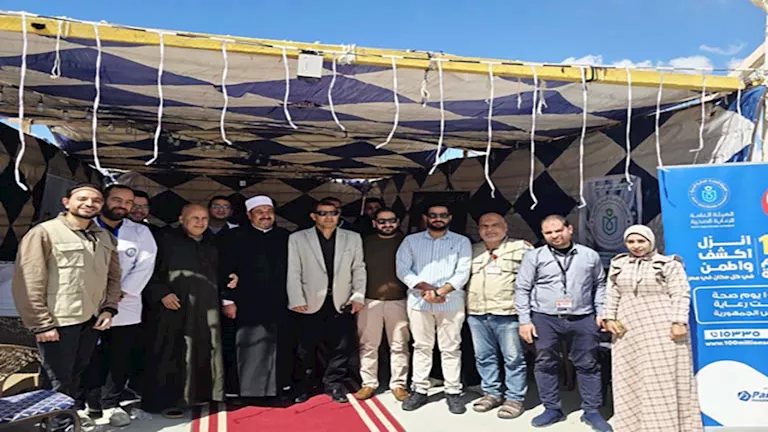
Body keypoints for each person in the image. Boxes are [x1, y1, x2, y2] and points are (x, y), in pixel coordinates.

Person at [12, 183, 122, 431]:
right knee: (57, 379)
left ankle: (65, 419)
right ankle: (57, 425)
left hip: (90, 318)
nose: (89, 203)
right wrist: (41, 323)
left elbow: (114, 276)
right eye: (82, 198)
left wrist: (109, 308)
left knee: (75, 374)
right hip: (58, 321)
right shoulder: (44, 233)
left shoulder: (104, 236)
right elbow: (28, 280)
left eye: (96, 200)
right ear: (66, 202)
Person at [515, 215, 612, 431]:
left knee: (588, 363)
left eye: (558, 230)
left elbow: (600, 284)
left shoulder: (589, 255)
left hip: (583, 317)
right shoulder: (534, 256)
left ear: (570, 229)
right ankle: (552, 408)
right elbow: (522, 288)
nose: (554, 236)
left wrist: (601, 312)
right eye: (548, 233)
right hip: (545, 317)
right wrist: (524, 321)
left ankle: (592, 411)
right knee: (545, 363)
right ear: (543, 235)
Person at [603, 225, 703, 432]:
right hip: (628, 330)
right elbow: (612, 293)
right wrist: (609, 317)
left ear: (651, 241)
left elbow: (680, 293)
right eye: (631, 242)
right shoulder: (619, 264)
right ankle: (634, 426)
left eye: (641, 241)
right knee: (630, 376)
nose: (636, 246)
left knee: (660, 377)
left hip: (661, 327)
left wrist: (679, 322)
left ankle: (664, 426)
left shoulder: (668, 264)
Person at [79, 185, 157, 427]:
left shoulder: (140, 232)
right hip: (86, 302)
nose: (122, 205)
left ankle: (111, 404)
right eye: (117, 200)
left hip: (126, 304)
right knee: (88, 355)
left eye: (128, 202)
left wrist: (119, 294)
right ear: (104, 200)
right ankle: (88, 404)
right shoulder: (85, 226)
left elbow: (145, 265)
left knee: (119, 356)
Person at [142, 204, 226, 417]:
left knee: (203, 349)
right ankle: (166, 401)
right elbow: (147, 270)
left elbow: (220, 271)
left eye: (204, 218)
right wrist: (161, 293)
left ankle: (198, 397)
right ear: (181, 219)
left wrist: (231, 278)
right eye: (195, 218)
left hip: (205, 308)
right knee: (171, 352)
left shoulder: (212, 243)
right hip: (173, 307)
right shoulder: (166, 240)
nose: (200, 223)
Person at [287, 198, 366, 404]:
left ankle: (333, 384)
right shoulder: (297, 238)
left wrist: (358, 295)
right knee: (305, 347)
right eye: (323, 213)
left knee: (340, 346)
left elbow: (359, 268)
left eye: (333, 213)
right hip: (308, 299)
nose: (329, 217)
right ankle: (305, 385)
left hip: (341, 300)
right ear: (314, 216)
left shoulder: (353, 238)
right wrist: (296, 298)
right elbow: (293, 271)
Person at [395, 203, 472, 414]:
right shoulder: (411, 241)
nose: (438, 219)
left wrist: (440, 292)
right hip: (419, 301)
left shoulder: (461, 241)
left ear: (449, 218)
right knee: (421, 346)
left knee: (451, 348)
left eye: (442, 215)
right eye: (433, 215)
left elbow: (463, 272)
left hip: (451, 301)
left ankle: (453, 391)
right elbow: (403, 269)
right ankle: (419, 389)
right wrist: (427, 289)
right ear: (425, 218)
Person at [218, 195, 293, 400]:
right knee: (247, 346)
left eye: (269, 211)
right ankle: (247, 392)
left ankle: (276, 390)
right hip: (245, 303)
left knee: (278, 346)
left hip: (278, 301)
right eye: (259, 212)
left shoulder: (285, 236)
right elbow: (224, 269)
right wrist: (227, 300)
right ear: (249, 215)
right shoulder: (233, 237)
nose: (265, 215)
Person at [466, 213, 532, 419]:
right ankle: (491, 393)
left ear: (505, 227)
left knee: (513, 358)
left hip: (508, 313)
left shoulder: (521, 248)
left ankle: (514, 398)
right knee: (483, 357)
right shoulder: (472, 250)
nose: (490, 230)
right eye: (484, 226)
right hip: (477, 312)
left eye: (495, 225)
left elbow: (534, 280)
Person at [354, 208, 410, 402]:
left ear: (398, 222)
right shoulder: (364, 242)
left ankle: (398, 384)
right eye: (382, 221)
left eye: (391, 220)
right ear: (374, 223)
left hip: (400, 301)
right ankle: (368, 383)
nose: (387, 224)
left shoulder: (407, 242)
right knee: (368, 345)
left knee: (399, 345)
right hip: (369, 301)